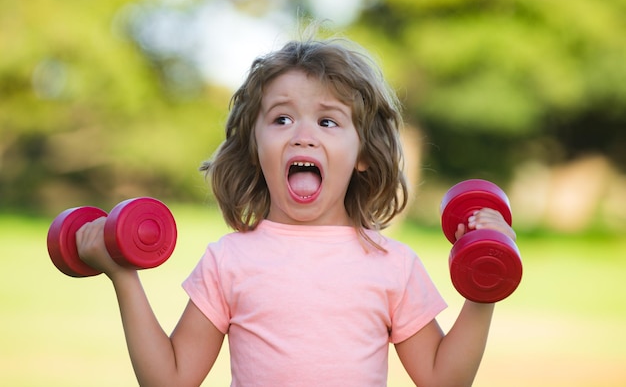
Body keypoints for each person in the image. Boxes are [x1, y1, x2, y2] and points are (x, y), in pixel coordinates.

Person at [76, 36, 516, 387]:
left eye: (327, 122)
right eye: (282, 119)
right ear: (254, 148)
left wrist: (484, 290)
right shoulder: (228, 261)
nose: (303, 135)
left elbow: (443, 379)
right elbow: (171, 379)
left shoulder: (394, 266)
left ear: (363, 153)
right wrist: (123, 277)